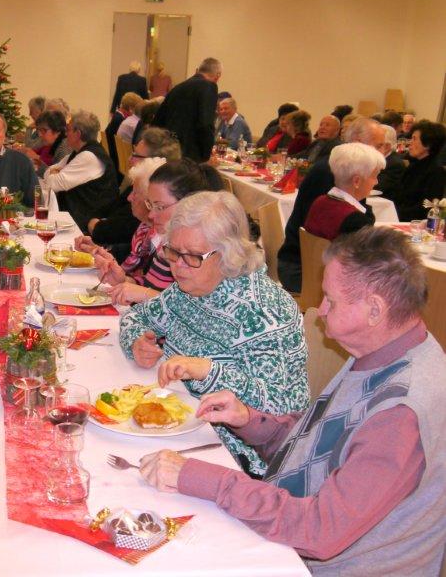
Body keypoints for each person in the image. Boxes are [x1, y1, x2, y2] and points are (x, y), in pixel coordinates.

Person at [139, 227, 446, 574]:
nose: (321, 310)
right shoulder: (385, 352)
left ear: (374, 310)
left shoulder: (401, 413)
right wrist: (250, 421)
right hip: (295, 533)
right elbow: (324, 448)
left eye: (331, 300)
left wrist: (203, 478)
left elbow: (319, 531)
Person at [121, 190, 308, 475]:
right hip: (184, 425)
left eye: (192, 256)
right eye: (173, 251)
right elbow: (136, 316)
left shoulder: (265, 313)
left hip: (240, 457)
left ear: (228, 254)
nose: (177, 266)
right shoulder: (188, 289)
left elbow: (279, 410)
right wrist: (136, 342)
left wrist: (209, 371)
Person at [278, 117, 385, 293]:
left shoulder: (328, 193)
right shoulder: (331, 173)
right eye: (378, 146)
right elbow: (358, 249)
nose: (382, 151)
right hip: (304, 270)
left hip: (306, 264)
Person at [93, 159, 217, 305]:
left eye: (160, 207)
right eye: (150, 205)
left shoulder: (204, 251)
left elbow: (193, 308)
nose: (151, 215)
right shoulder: (169, 246)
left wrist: (144, 294)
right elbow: (152, 285)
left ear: (188, 204)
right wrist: (124, 280)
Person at [84, 128, 181, 258]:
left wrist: (96, 224)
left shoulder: (149, 200)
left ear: (155, 161)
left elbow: (105, 231)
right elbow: (104, 210)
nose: (129, 159)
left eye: (135, 155)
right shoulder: (135, 187)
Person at [42, 110, 119, 233]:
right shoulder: (79, 152)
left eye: (68, 130)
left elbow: (52, 184)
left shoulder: (89, 157)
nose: (65, 134)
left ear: (78, 134)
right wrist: (53, 172)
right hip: (77, 215)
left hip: (87, 223)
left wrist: (55, 173)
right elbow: (48, 171)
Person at [303, 143, 385, 240]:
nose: (376, 182)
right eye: (374, 176)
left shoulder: (320, 201)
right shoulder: (355, 221)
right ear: (356, 181)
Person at [154, 57, 221, 162]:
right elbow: (205, 123)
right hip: (190, 153)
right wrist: (207, 154)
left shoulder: (177, 88)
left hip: (169, 150)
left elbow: (158, 120)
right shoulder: (209, 86)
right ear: (217, 76)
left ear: (198, 70)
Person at [391, 120, 446, 221]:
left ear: (427, 144)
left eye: (414, 139)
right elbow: (399, 194)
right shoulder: (414, 165)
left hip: (414, 221)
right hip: (399, 215)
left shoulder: (436, 171)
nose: (410, 143)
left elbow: (427, 206)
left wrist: (394, 213)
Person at [21, 110, 71, 177]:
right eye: (38, 130)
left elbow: (56, 177)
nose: (40, 134)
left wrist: (37, 160)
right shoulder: (53, 143)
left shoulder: (64, 148)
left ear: (57, 131)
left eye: (43, 130)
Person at [105, 92, 142, 179]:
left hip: (111, 155)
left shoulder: (117, 116)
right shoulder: (120, 119)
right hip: (115, 158)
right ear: (131, 109)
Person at [375, 124, 407, 198]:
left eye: (376, 144)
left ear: (387, 147)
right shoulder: (378, 159)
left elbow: (377, 187)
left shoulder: (395, 164)